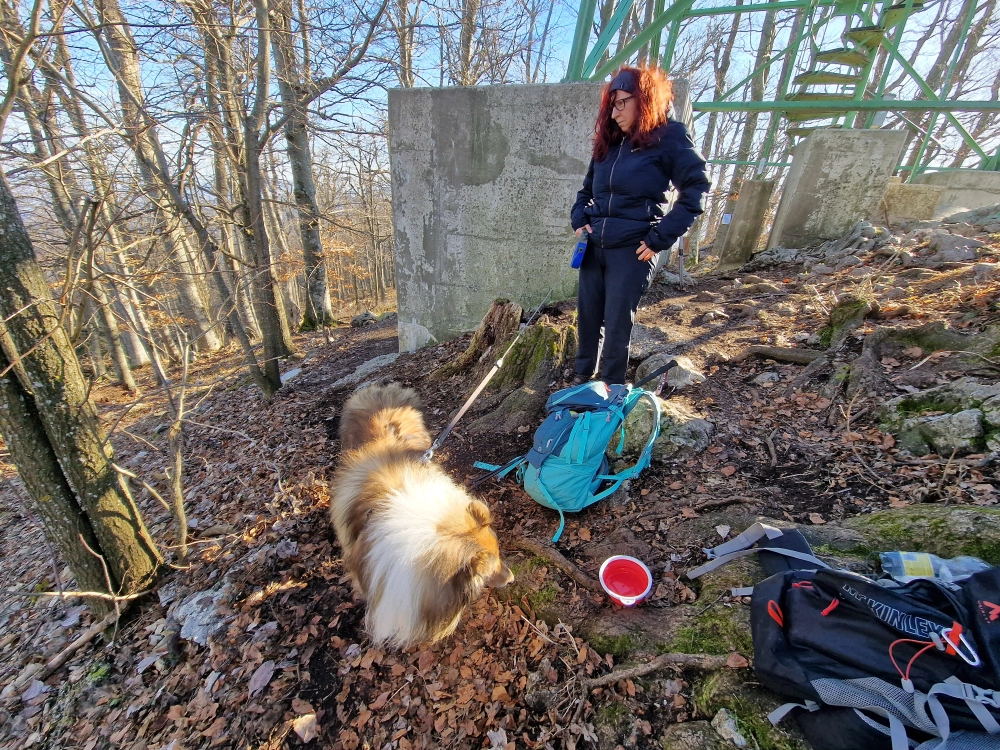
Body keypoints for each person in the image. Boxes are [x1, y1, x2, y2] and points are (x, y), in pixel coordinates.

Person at [570, 65, 711, 386]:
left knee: (618, 323)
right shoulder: (609, 143)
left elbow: (697, 189)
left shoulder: (670, 136)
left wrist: (661, 237)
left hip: (633, 249)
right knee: (588, 319)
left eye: (622, 103)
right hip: (595, 247)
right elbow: (585, 192)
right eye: (612, 105)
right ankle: (581, 380)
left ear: (643, 99)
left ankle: (611, 387)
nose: (615, 112)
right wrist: (580, 220)